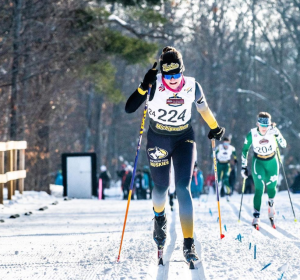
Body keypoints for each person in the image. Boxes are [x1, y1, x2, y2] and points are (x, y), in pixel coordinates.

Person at [125, 46, 225, 263]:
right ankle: (159, 217)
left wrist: (215, 128)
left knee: (182, 187)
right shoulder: (154, 84)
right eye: (168, 75)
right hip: (158, 139)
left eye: (176, 74)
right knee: (161, 188)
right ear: (163, 72)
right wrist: (144, 85)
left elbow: (204, 110)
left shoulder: (192, 86)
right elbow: (129, 108)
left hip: (183, 140)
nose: (172, 79)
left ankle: (188, 243)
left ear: (182, 70)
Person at [241, 112, 287, 229]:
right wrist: (243, 166)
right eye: (261, 126)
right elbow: (245, 150)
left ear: (269, 125)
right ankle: (256, 216)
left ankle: (271, 205)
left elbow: (284, 144)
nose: (264, 129)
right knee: (259, 188)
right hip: (258, 162)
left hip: (272, 162)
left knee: (272, 188)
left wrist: (277, 135)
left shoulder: (273, 131)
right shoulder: (252, 133)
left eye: (266, 126)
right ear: (257, 124)